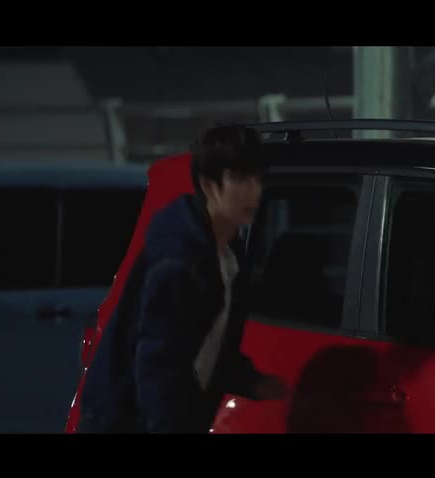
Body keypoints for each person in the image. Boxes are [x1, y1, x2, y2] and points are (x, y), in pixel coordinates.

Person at [78, 125, 288, 433]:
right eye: (241, 179)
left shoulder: (227, 256)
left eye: (257, 179)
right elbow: (158, 363)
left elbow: (210, 348)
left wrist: (251, 382)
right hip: (123, 423)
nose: (254, 192)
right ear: (209, 185)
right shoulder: (180, 258)